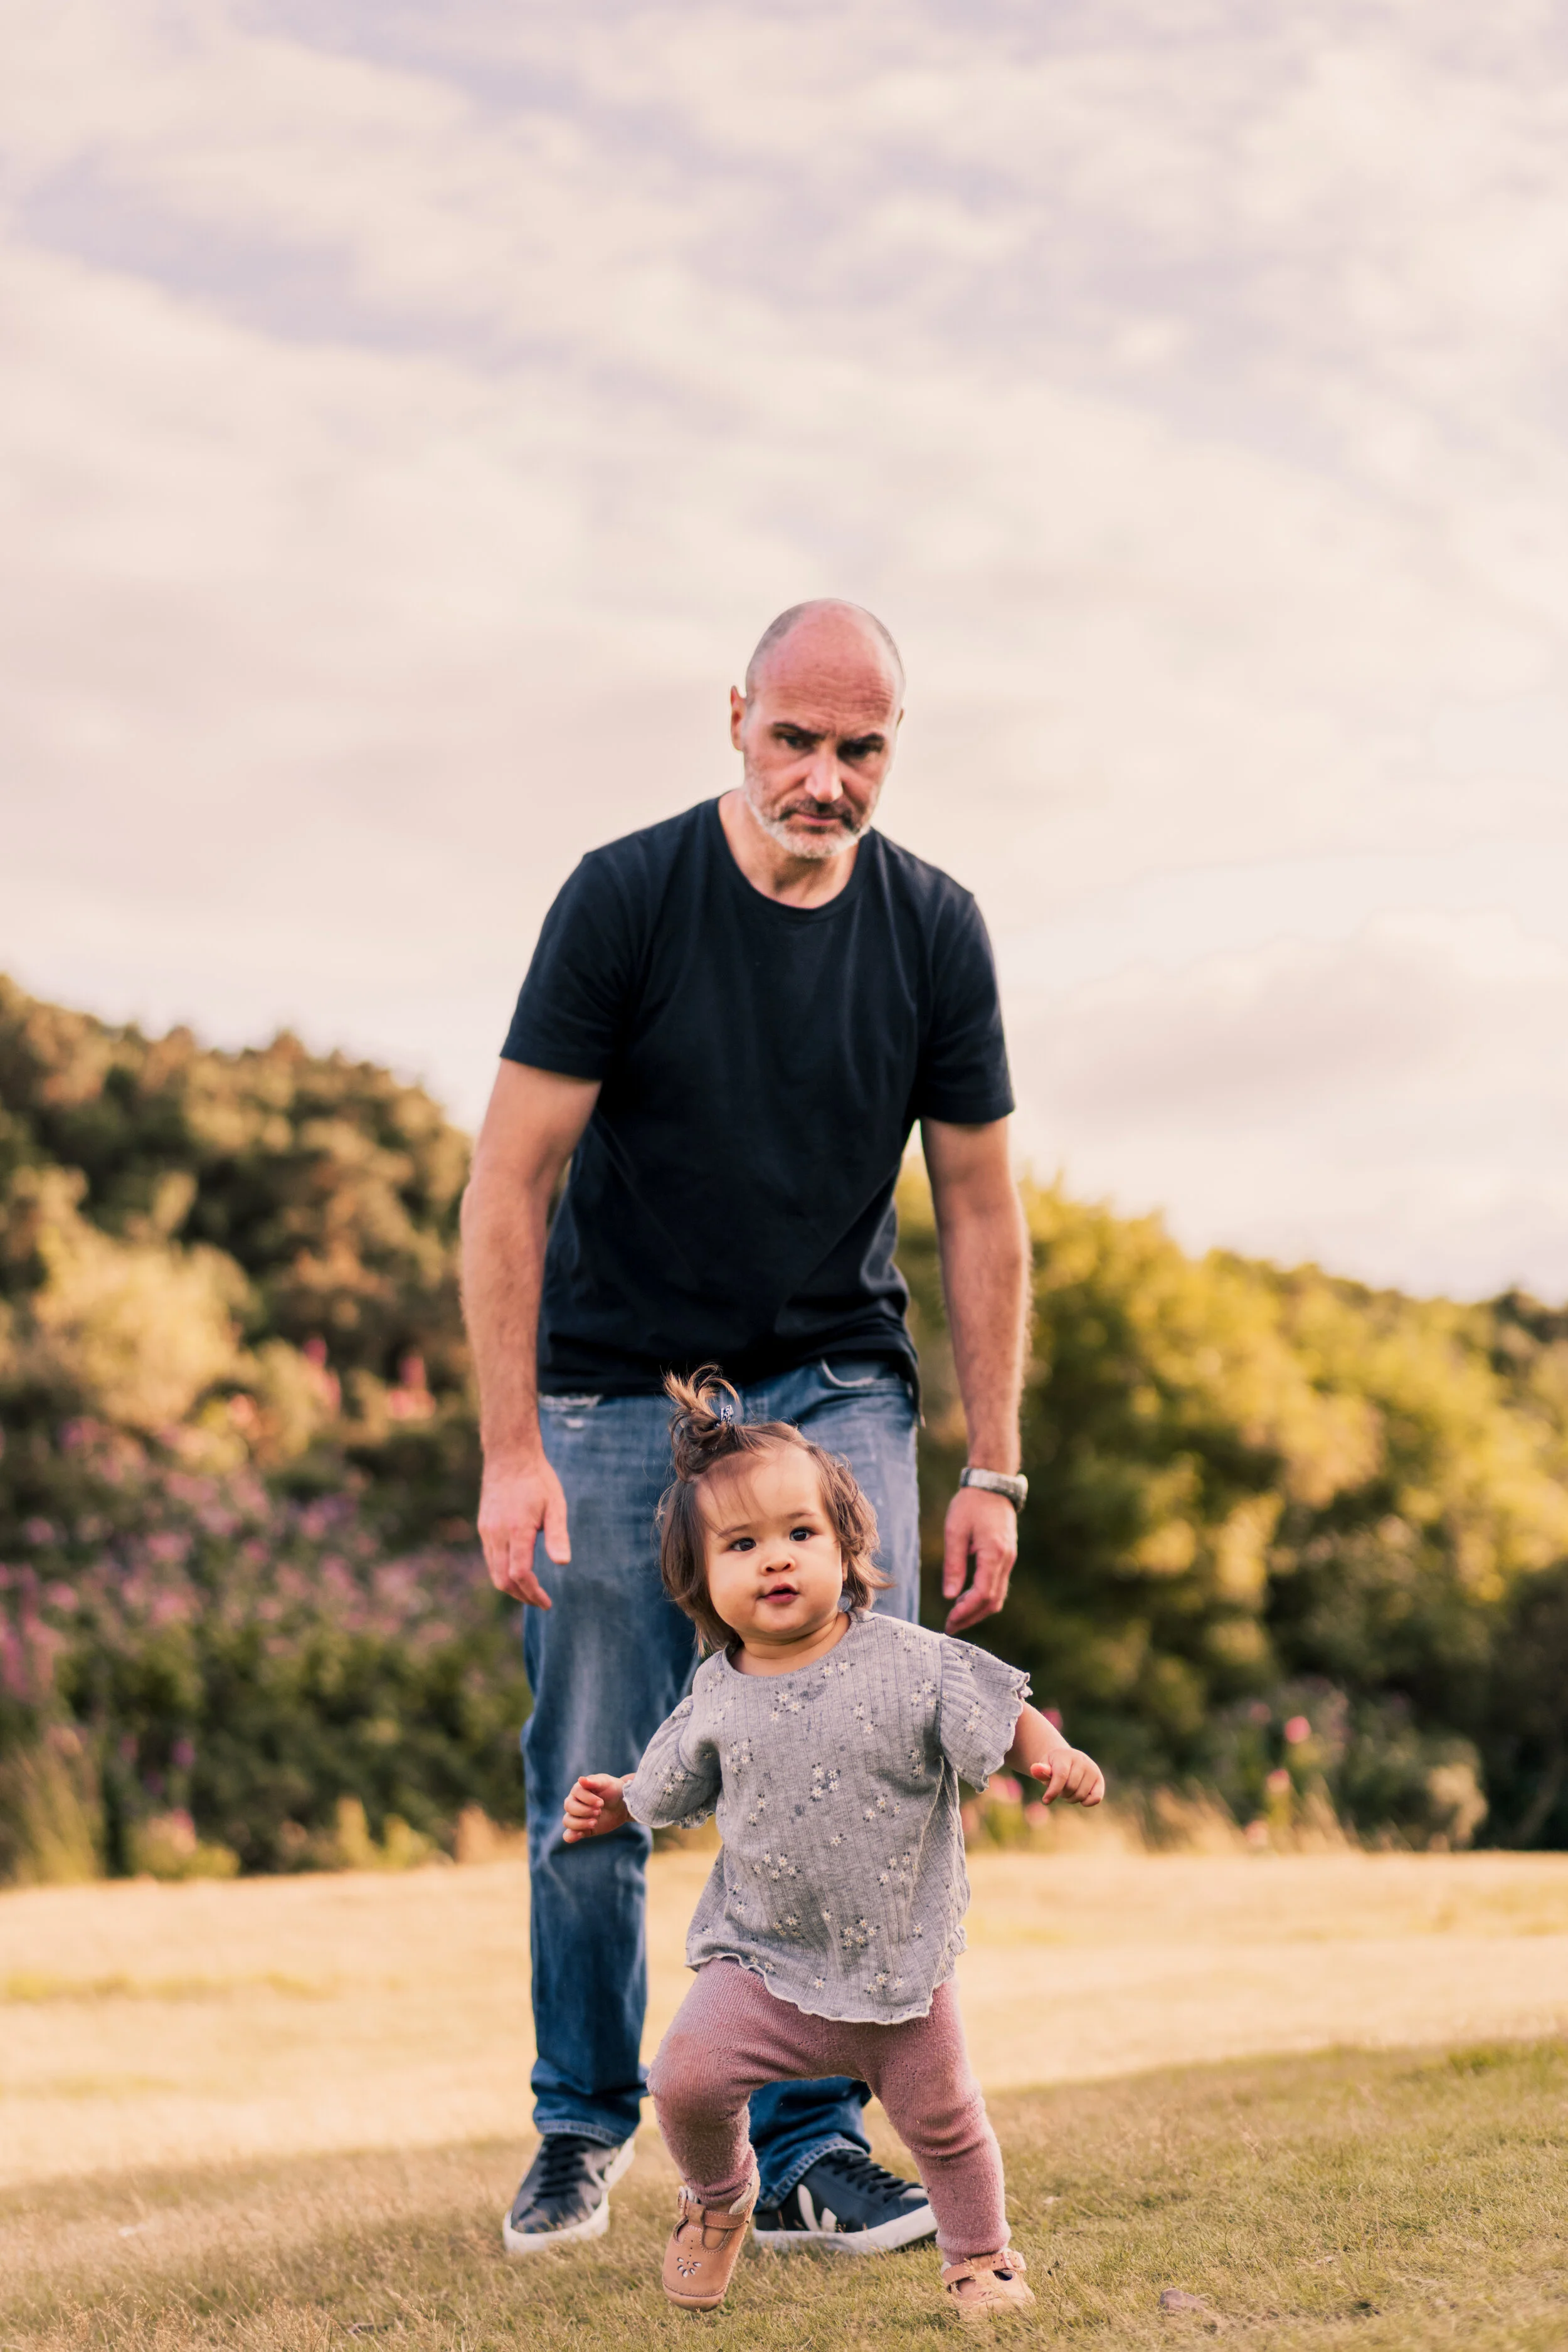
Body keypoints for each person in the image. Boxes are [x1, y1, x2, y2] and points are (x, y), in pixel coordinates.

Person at [461, 598, 1032, 2256]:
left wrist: (991, 1461)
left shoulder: (933, 929)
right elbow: (510, 1175)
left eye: (861, 749)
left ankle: (806, 2145)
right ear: (735, 719)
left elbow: (980, 1200)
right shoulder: (626, 896)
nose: (825, 777)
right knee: (593, 1768)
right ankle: (580, 2123)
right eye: (796, 737)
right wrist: (512, 1446)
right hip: (615, 1382)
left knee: (865, 1749)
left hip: (833, 1371)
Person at [563, 1375, 1105, 2318]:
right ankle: (723, 2194)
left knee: (945, 2122)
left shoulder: (906, 1657)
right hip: (763, 1962)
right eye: (742, 1544)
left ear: (845, 1543)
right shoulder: (716, 1692)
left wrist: (1048, 1751)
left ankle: (981, 2257)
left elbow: (993, 1702)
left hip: (897, 1967)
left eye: (799, 1534)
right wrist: (621, 1801)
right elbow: (670, 1783)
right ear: (700, 1576)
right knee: (684, 2079)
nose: (775, 1560)